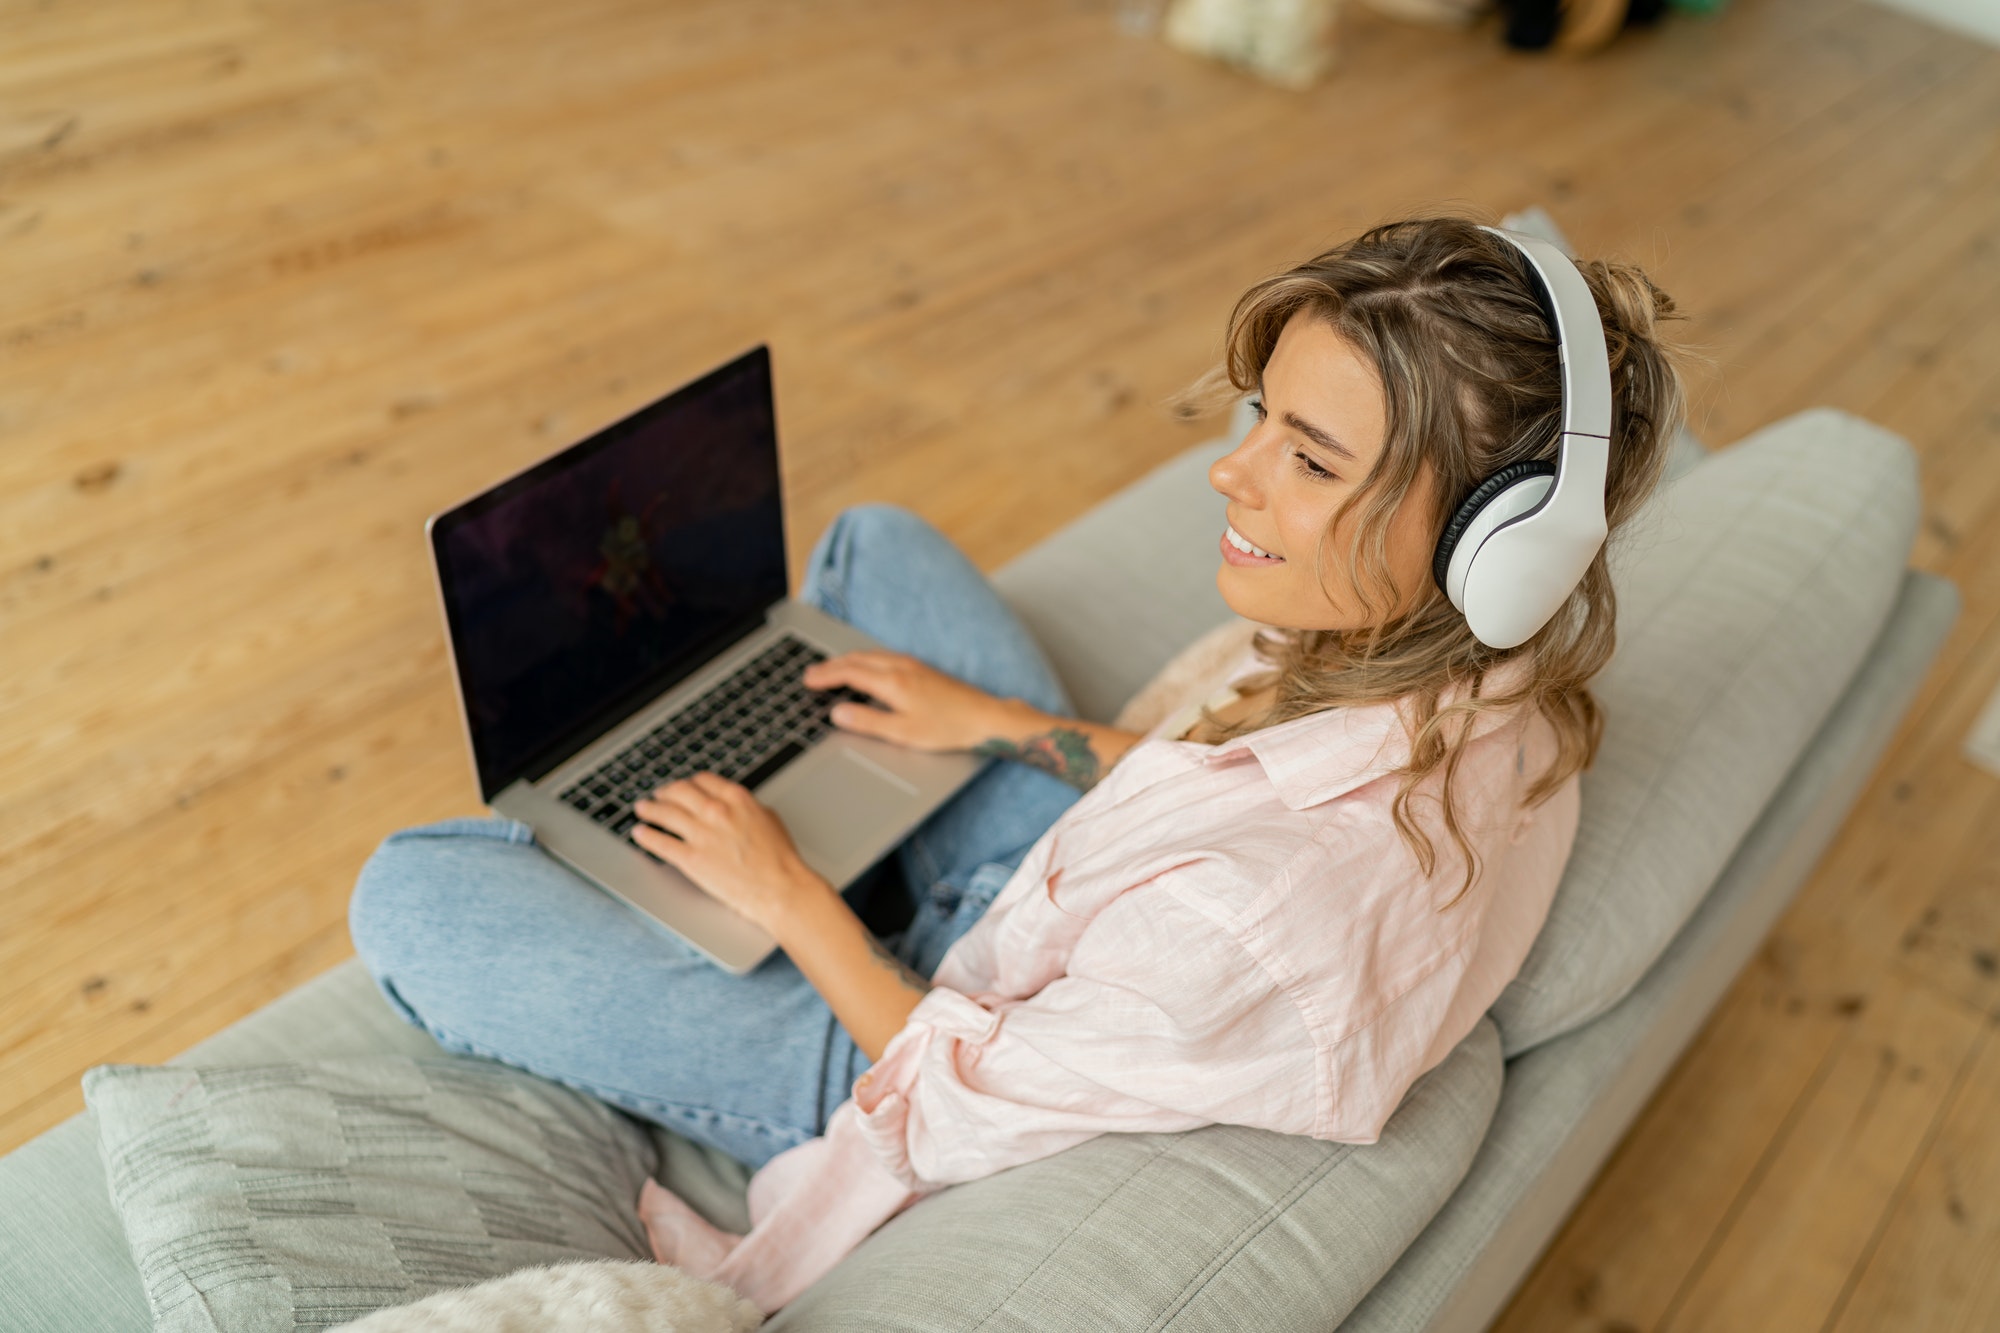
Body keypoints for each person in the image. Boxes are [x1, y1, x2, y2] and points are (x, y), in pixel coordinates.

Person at [348, 213, 1688, 1311]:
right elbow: (1205, 790)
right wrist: (985, 722)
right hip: (1063, 914)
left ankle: (738, 882)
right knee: (877, 544)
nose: (1233, 475)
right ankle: (793, 824)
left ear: (1488, 547)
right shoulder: (1493, 677)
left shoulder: (1268, 917)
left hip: (915, 1046)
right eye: (1261, 419)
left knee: (409, 898)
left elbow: (951, 1102)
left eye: (1308, 457)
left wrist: (785, 893)